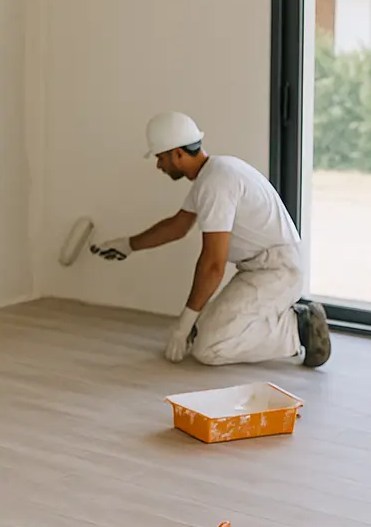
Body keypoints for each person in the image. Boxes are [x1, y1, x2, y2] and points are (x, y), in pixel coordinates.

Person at [91, 111, 330, 369]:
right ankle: (273, 317)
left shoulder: (216, 182)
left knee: (209, 348)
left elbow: (213, 264)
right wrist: (127, 245)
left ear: (177, 153)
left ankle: (298, 329)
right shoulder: (212, 175)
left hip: (277, 272)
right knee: (204, 329)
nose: (159, 165)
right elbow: (177, 226)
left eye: (160, 157)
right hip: (260, 268)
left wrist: (182, 326)